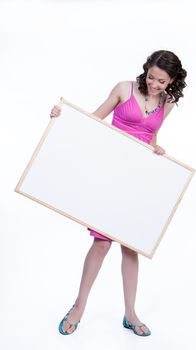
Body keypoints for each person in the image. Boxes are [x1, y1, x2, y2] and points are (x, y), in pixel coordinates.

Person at [50, 50, 187, 336]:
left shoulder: (168, 102)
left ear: (172, 81)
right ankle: (78, 307)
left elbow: (151, 134)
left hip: (138, 181)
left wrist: (156, 148)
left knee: (130, 247)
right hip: (110, 175)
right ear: (145, 71)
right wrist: (62, 116)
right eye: (150, 77)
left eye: (161, 81)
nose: (154, 84)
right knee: (101, 243)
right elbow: (92, 121)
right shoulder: (124, 88)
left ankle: (130, 313)